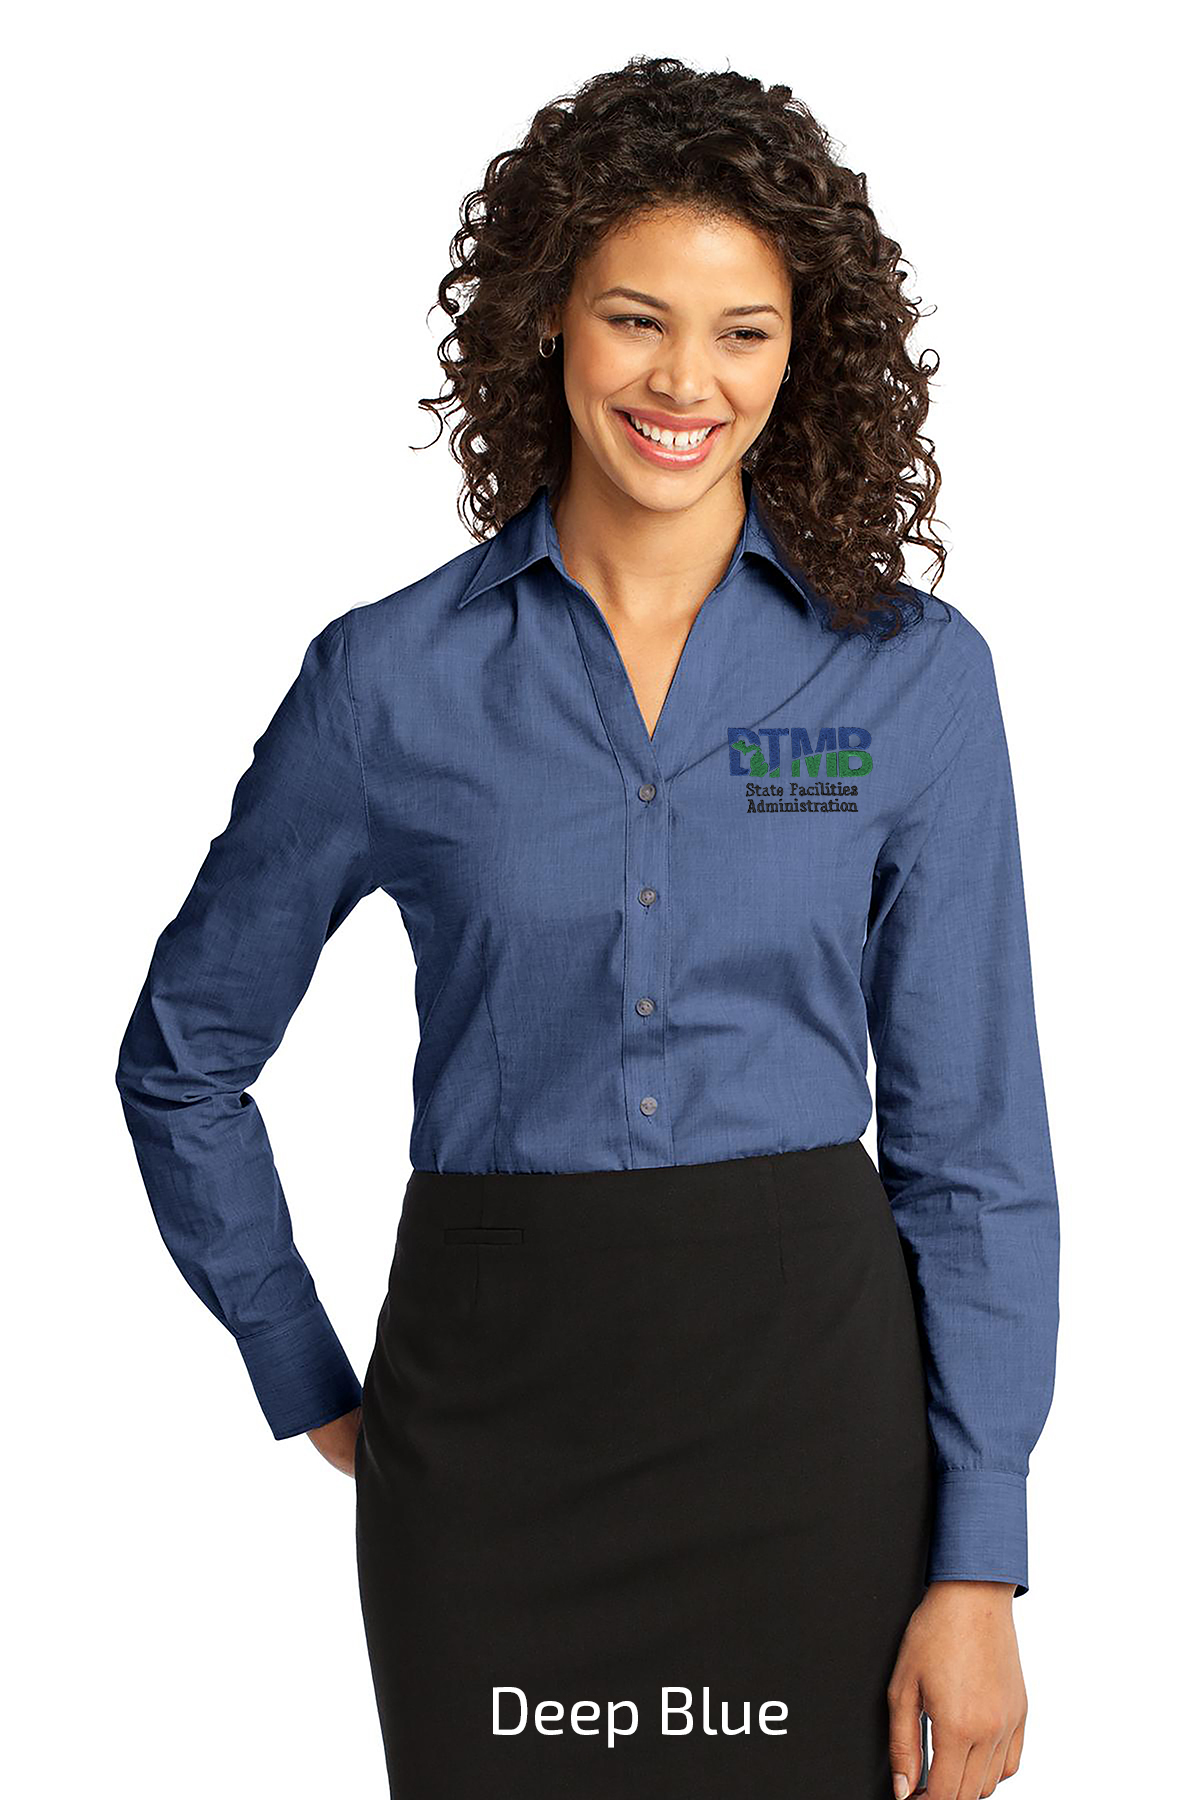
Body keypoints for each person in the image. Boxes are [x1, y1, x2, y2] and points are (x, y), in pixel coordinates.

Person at [114, 54, 1060, 1800]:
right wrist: (304, 1370)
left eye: (743, 333)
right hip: (488, 1447)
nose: (685, 382)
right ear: (550, 314)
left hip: (812, 1433)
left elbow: (974, 1140)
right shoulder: (387, 681)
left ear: (804, 355)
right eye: (637, 319)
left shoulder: (910, 679)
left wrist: (980, 1556)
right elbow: (183, 1059)